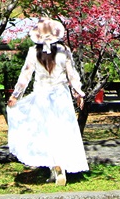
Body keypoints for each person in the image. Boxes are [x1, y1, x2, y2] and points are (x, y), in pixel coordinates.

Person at [7, 17, 88, 186]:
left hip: (42, 96)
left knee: (46, 132)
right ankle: (59, 166)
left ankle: (55, 168)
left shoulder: (33, 52)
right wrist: (79, 93)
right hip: (61, 96)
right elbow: (72, 74)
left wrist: (16, 95)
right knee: (62, 131)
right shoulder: (63, 51)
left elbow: (25, 76)